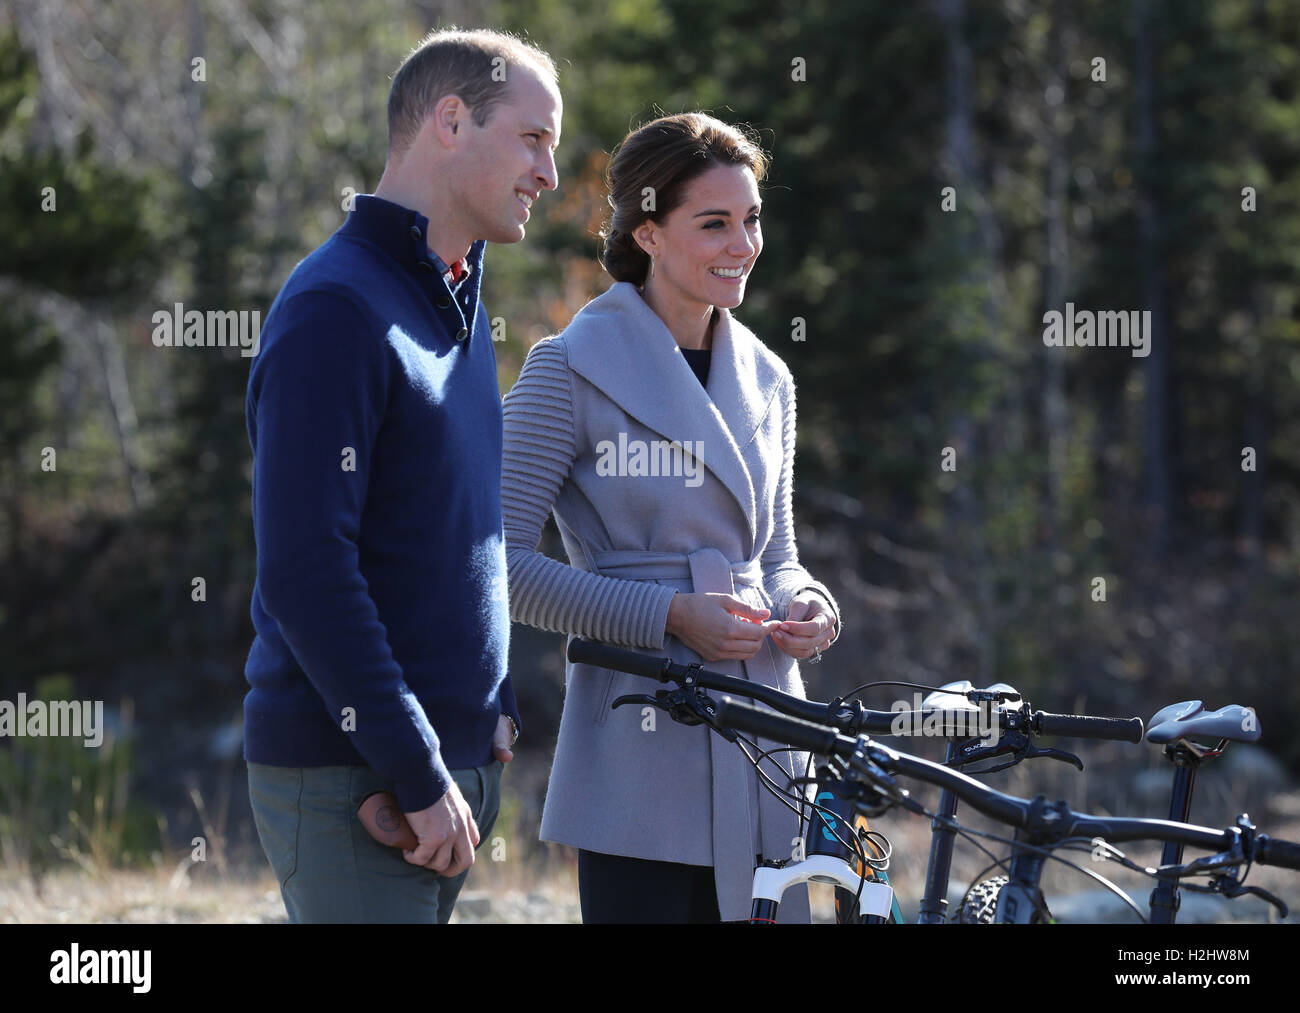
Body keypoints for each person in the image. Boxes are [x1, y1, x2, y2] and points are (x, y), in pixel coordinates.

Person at [242, 28, 562, 923]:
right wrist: (419, 768)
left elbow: (467, 530)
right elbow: (307, 573)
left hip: (443, 774)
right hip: (362, 781)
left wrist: (489, 711)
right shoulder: (336, 309)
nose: (550, 174)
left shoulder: (454, 300)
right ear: (450, 121)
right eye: (534, 139)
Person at [501, 113, 840, 923]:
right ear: (647, 233)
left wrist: (809, 604)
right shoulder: (567, 368)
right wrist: (665, 614)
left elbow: (777, 553)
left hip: (769, 746)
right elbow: (494, 560)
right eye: (714, 222)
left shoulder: (770, 377)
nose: (743, 244)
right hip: (638, 747)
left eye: (752, 219)